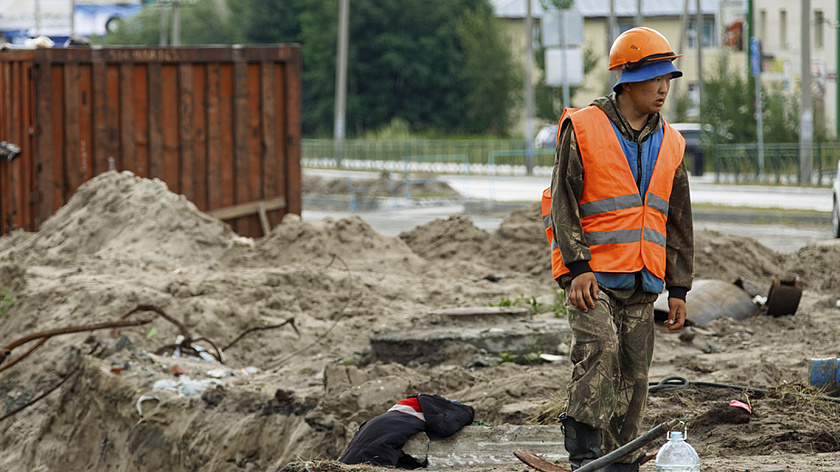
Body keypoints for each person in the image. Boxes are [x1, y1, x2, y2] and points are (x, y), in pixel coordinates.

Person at [544, 27, 694, 471]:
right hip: (591, 277)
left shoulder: (673, 142)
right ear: (627, 81)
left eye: (668, 78)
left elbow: (679, 222)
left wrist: (679, 288)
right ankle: (585, 456)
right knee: (600, 352)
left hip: (642, 280)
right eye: (654, 78)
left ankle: (620, 459)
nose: (663, 88)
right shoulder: (584, 127)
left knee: (635, 374)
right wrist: (576, 267)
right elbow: (562, 202)